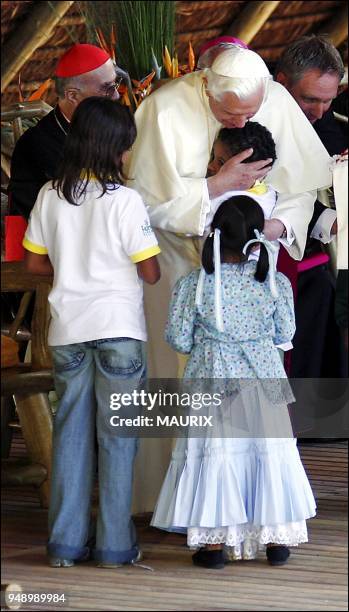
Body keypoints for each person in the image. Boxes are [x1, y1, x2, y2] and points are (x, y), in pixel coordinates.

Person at [22, 98, 161, 567]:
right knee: (117, 439)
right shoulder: (125, 201)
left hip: (68, 333)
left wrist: (73, 263)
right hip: (118, 329)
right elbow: (151, 273)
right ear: (115, 148)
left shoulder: (48, 194)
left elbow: (34, 263)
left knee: (71, 437)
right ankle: (114, 547)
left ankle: (64, 545)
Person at [151, 197, 316, 568]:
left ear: (215, 234)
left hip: (212, 375)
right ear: (257, 239)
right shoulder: (275, 283)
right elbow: (285, 332)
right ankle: (275, 542)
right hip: (264, 378)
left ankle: (213, 548)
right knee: (268, 454)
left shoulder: (193, 283)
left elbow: (178, 338)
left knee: (218, 456)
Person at [275, 35, 347, 378]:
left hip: (326, 274)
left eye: (328, 101)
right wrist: (333, 220)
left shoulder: (333, 124)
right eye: (310, 100)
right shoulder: (252, 123)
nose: (319, 112)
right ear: (281, 83)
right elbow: (271, 192)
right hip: (280, 271)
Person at [8, 43, 123, 219]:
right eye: (106, 88)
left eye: (116, 84)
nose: (116, 95)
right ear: (73, 95)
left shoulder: (111, 126)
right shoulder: (35, 146)